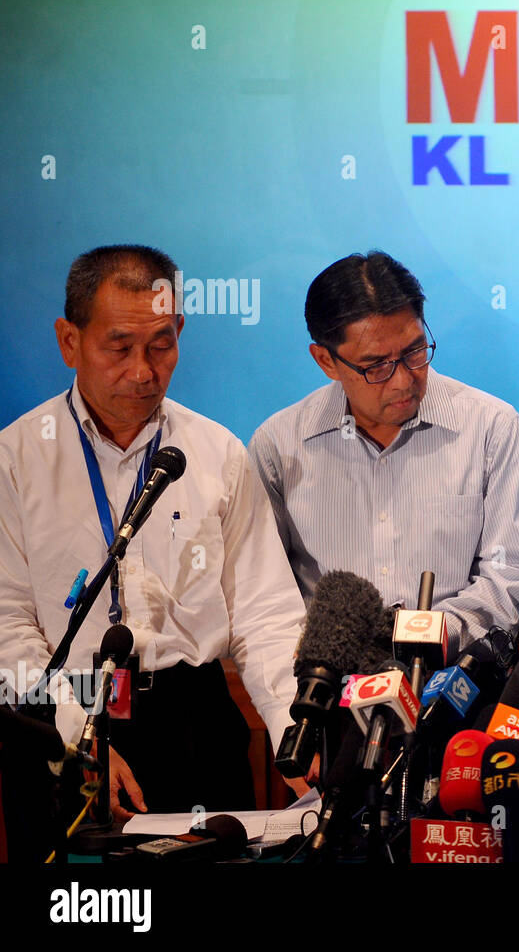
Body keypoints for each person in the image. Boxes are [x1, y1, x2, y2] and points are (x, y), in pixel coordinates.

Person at [0, 245, 308, 828]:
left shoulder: (216, 452)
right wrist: (76, 734)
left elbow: (263, 612)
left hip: (195, 721)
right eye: (119, 347)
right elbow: (6, 625)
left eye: (161, 344)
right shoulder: (15, 460)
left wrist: (292, 730)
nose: (143, 371)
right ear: (70, 341)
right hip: (59, 718)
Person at [248, 252, 519, 649]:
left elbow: (509, 578)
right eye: (376, 366)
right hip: (328, 686)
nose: (403, 380)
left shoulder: (492, 429)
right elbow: (264, 596)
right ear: (325, 361)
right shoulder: (278, 447)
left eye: (415, 352)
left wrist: (414, 638)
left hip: (452, 680)